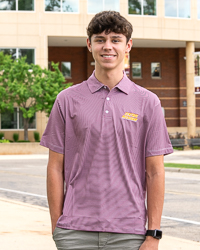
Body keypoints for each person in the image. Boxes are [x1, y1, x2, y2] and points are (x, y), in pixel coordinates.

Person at [40, 11, 173, 250]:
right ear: (89, 44)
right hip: (74, 231)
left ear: (128, 45)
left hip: (130, 233)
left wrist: (153, 234)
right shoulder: (67, 99)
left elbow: (155, 172)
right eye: (100, 39)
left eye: (115, 39)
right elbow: (55, 167)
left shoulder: (148, 102)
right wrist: (57, 226)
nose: (107, 46)